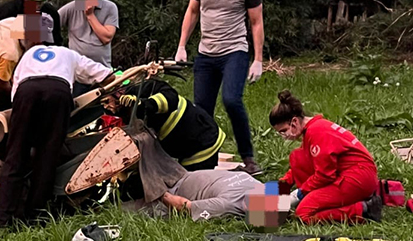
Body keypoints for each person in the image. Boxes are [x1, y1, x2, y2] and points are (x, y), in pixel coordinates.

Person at [0, 43, 115, 229]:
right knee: (47, 156)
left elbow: (15, 92)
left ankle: (1, 220)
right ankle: (35, 218)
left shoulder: (29, 54)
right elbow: (106, 75)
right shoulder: (69, 54)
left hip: (27, 91)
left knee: (16, 155)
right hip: (58, 91)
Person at [175, 0, 264, 175]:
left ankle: (248, 159)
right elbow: (192, 11)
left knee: (232, 100)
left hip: (234, 51)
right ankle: (201, 160)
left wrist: (258, 59)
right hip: (206, 53)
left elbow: (256, 22)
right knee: (201, 110)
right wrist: (182, 46)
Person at [270, 90, 383, 224]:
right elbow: (304, 164)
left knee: (303, 214)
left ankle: (364, 209)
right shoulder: (313, 129)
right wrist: (282, 185)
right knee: (298, 157)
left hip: (356, 178)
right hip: (356, 174)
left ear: (294, 122)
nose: (284, 136)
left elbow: (325, 175)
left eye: (283, 131)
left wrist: (298, 194)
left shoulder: (316, 132)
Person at [102, 79, 226, 171]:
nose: (107, 107)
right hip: (185, 145)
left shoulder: (145, 89)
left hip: (201, 144)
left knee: (191, 187)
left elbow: (170, 97)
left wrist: (143, 104)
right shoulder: (121, 112)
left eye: (107, 101)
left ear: (117, 94)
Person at [123, 170, 266, 222]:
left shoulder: (226, 205)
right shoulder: (258, 186)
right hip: (177, 176)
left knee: (121, 209)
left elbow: (182, 207)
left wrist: (153, 188)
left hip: (174, 182)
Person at [58, 0, 119, 76]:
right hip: (78, 73)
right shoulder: (72, 8)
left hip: (103, 71)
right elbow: (49, 25)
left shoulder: (110, 7)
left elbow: (106, 38)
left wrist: (90, 15)